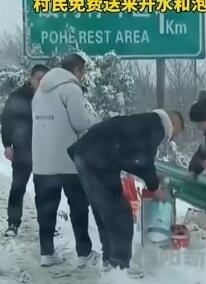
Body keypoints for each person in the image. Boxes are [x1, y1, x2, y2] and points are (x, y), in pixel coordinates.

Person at [68, 109, 183, 273]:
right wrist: (155, 187)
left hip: (85, 156)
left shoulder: (146, 120)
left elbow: (131, 157)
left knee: (103, 212)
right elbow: (142, 160)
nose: (173, 138)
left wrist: (152, 177)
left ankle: (110, 260)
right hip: (99, 161)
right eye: (176, 134)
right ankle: (119, 265)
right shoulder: (157, 126)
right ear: (173, 124)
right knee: (121, 213)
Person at [31, 54, 101, 267]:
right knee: (78, 207)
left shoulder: (40, 91)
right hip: (68, 160)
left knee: (46, 208)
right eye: (83, 71)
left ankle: (46, 253)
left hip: (42, 161)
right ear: (77, 70)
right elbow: (80, 122)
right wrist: (96, 121)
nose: (83, 76)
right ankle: (83, 254)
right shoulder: (71, 88)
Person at [1, 64, 48, 237]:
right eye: (38, 79)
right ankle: (13, 223)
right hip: (22, 149)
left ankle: (46, 224)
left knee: (44, 189)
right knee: (18, 187)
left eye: (44, 79)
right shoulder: (18, 96)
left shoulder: (51, 97)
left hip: (44, 150)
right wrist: (7, 145)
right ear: (31, 78)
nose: (41, 82)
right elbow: (7, 120)